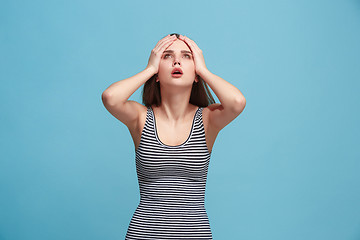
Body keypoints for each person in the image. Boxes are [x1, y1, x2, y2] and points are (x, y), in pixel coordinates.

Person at [102, 33, 246, 239]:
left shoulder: (207, 120)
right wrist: (150, 69)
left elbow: (237, 102)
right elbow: (110, 98)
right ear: (158, 74)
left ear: (196, 73)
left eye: (187, 56)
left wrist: (203, 69)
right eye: (167, 56)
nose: (177, 60)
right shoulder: (141, 118)